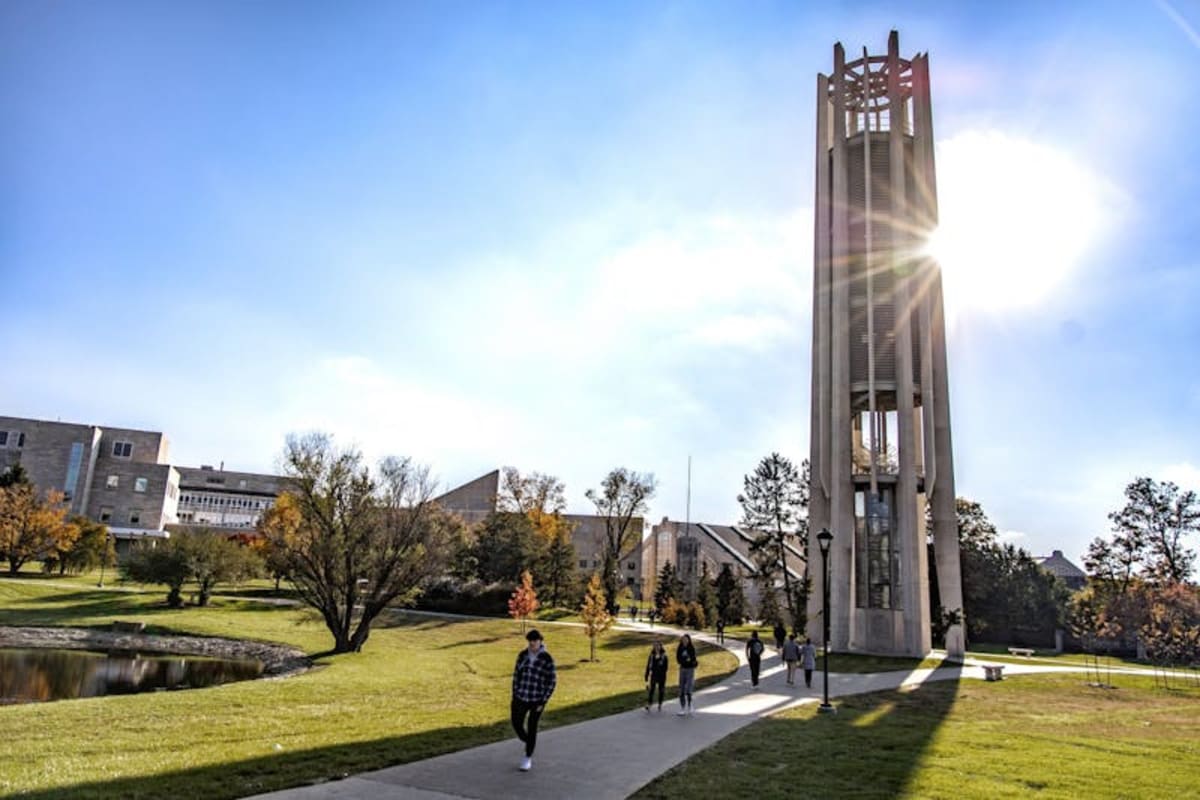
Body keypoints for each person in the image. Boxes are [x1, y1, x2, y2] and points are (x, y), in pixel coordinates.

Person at [511, 628, 557, 772]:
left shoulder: (546, 658)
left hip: (537, 699)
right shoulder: (523, 655)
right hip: (521, 696)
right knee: (516, 723)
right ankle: (529, 741)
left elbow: (552, 681)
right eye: (530, 641)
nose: (532, 644)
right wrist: (515, 692)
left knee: (532, 725)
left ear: (540, 641)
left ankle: (527, 757)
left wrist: (544, 700)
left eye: (535, 641)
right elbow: (516, 675)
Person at [644, 637, 669, 712]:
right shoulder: (651, 656)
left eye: (658, 645)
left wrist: (662, 672)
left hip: (662, 676)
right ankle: (649, 704)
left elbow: (666, 667)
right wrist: (646, 675)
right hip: (654, 675)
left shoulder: (664, 656)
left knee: (661, 690)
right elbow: (648, 666)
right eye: (655, 646)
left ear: (661, 646)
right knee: (652, 690)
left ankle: (660, 704)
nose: (656, 647)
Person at [675, 633, 698, 715]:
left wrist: (689, 661)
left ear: (689, 640)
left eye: (686, 639)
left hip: (690, 669)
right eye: (683, 639)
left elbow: (693, 659)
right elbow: (678, 659)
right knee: (681, 688)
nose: (684, 641)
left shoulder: (691, 648)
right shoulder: (680, 648)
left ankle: (690, 705)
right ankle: (682, 708)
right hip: (682, 669)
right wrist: (685, 661)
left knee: (688, 688)